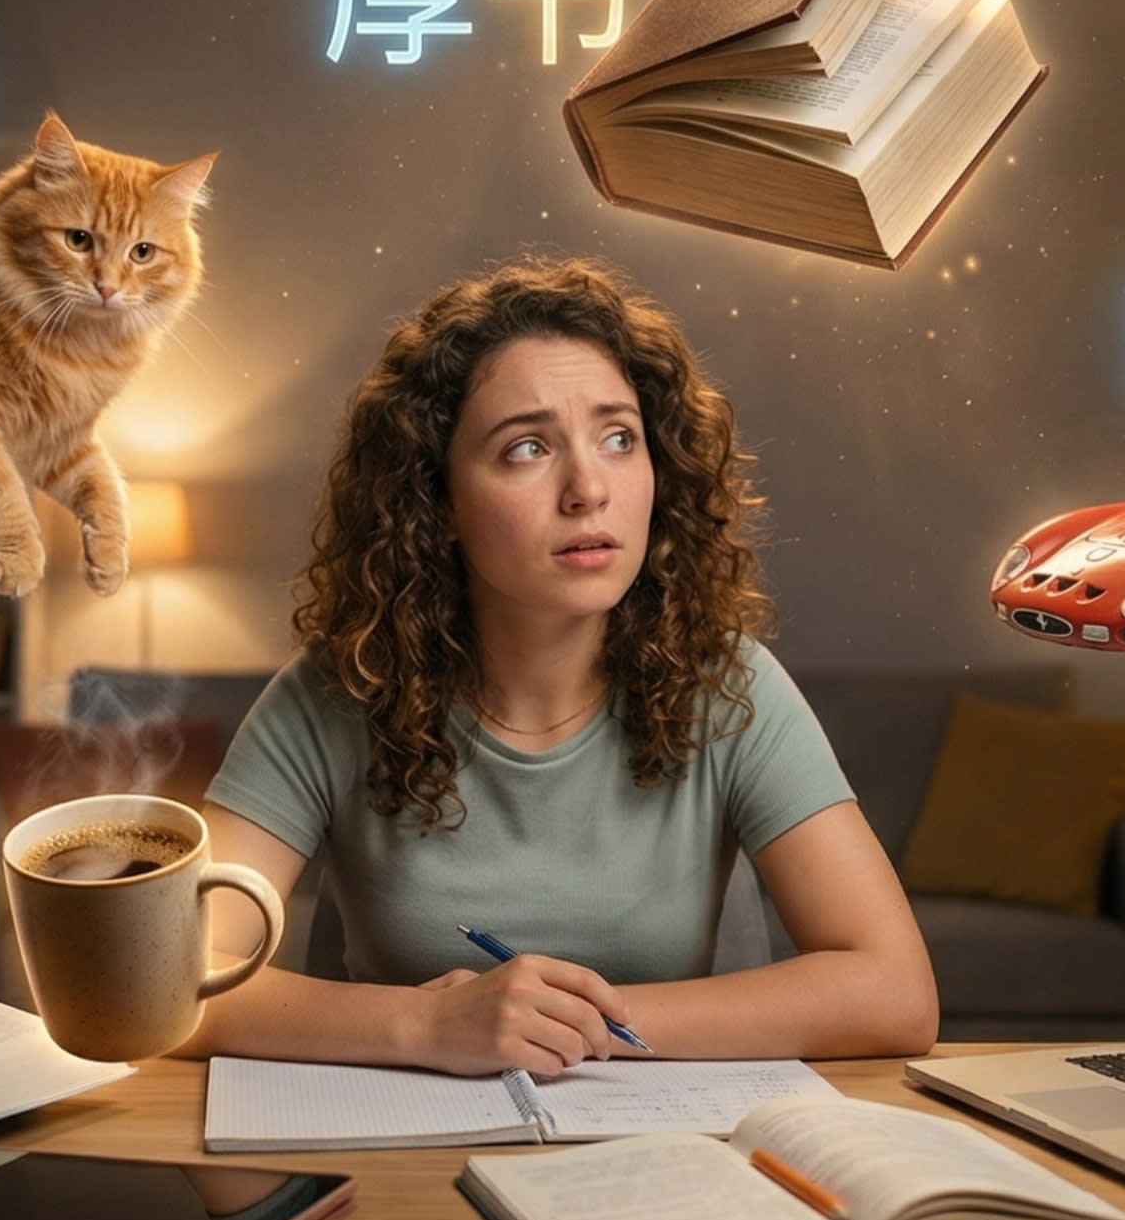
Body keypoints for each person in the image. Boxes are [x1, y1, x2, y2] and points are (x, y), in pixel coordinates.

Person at [179, 258, 937, 1076]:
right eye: (528, 447)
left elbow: (894, 991)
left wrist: (569, 1023)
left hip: (654, 1166)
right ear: (435, 505)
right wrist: (428, 1026)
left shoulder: (729, 684)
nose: (588, 488)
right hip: (397, 1171)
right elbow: (167, 981)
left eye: (619, 438)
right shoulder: (335, 690)